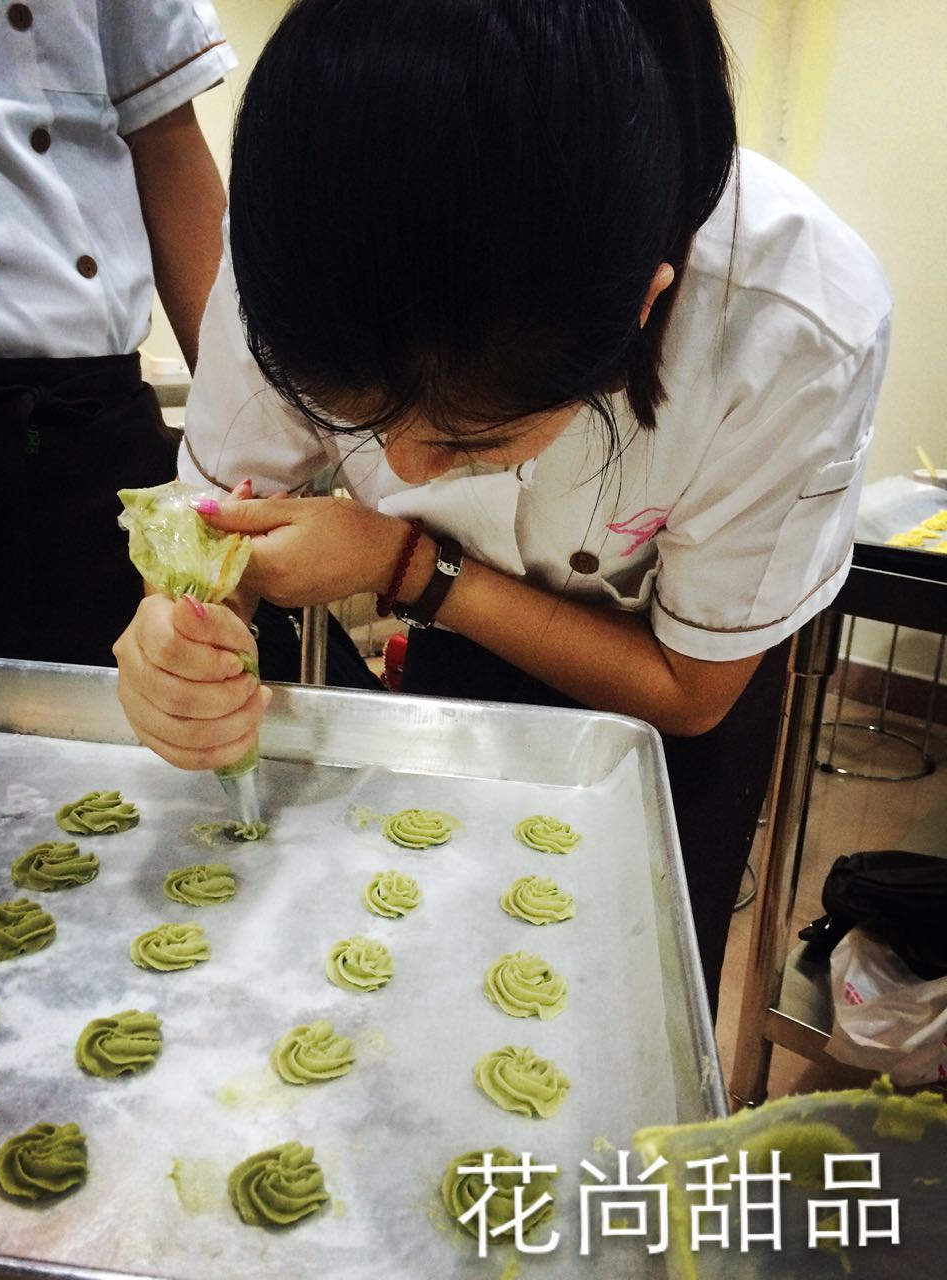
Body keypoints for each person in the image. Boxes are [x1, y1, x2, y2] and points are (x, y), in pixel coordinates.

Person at [113, 0, 892, 1016]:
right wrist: (174, 634)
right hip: (453, 654)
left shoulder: (794, 325)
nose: (401, 467)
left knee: (619, 1015)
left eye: (468, 441)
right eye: (347, 420)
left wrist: (402, 564)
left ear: (641, 306)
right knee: (417, 985)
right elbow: (204, 528)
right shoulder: (302, 249)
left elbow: (691, 689)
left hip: (665, 713)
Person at [0, 0, 234, 666]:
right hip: (75, 417)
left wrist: (248, 440)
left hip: (83, 438)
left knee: (141, 726)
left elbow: (169, 142)